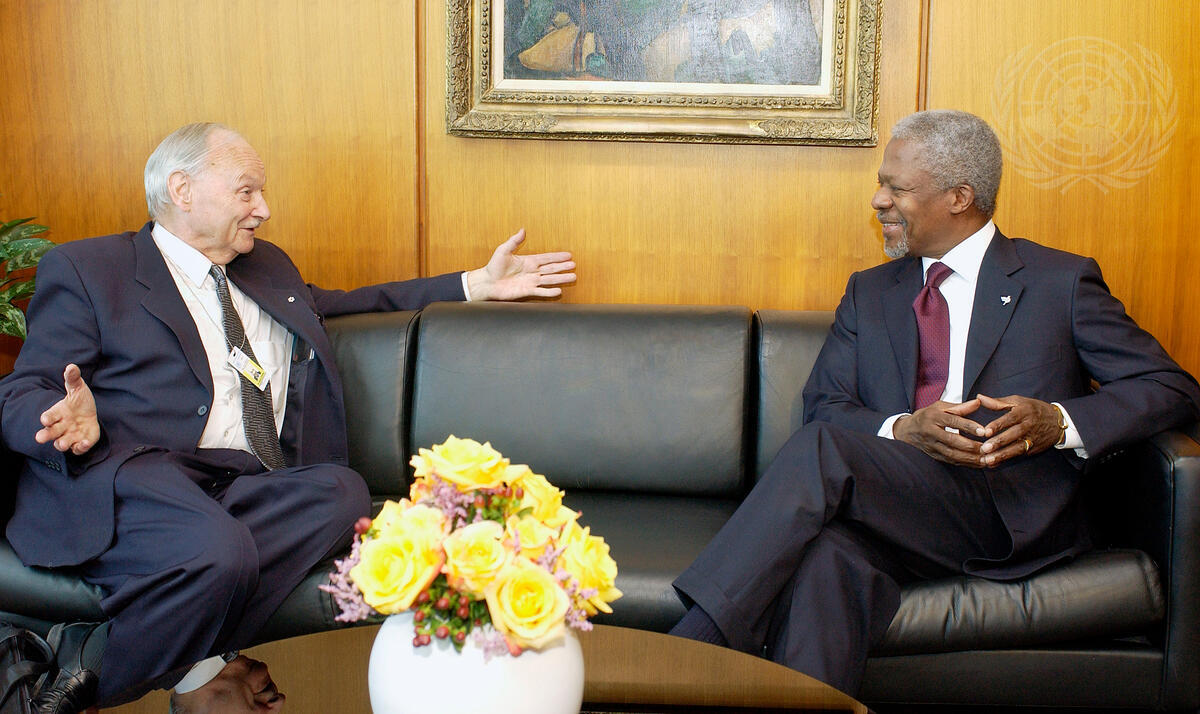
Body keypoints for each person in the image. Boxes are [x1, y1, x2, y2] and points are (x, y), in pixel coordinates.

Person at [0, 122, 575, 713]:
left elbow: (345, 305)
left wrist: (474, 284)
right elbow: (24, 388)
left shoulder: (264, 266)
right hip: (138, 477)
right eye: (246, 191)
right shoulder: (91, 269)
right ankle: (98, 683)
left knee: (341, 493)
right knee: (221, 550)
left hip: (236, 485)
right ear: (182, 189)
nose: (264, 209)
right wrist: (60, 419)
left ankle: (97, 653)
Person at [669, 109, 1200, 696]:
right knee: (827, 562)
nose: (878, 200)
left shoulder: (1059, 282)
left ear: (959, 197)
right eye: (881, 185)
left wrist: (1058, 421)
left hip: (1007, 513)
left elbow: (1171, 387)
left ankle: (692, 648)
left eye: (896, 188)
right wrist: (903, 429)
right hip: (898, 512)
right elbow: (825, 404)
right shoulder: (870, 292)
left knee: (822, 450)